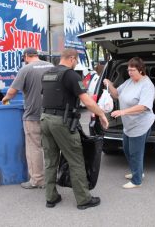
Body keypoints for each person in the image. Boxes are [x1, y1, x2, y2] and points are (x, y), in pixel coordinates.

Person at [40, 48, 109, 209]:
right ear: (71, 58)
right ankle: (84, 199)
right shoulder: (70, 75)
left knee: (50, 160)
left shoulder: (47, 74)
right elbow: (87, 101)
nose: (76, 63)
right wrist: (101, 114)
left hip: (44, 119)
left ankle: (51, 197)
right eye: (76, 61)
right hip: (61, 122)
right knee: (76, 159)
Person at [2, 47, 53, 189]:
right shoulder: (52, 66)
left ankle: (37, 180)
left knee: (35, 148)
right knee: (51, 148)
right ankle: (52, 178)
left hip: (33, 115)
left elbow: (12, 91)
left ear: (26, 56)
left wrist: (5, 99)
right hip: (52, 114)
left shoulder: (26, 70)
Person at [103, 57, 155, 189]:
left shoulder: (147, 85)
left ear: (141, 70)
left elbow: (143, 106)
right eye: (128, 69)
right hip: (129, 124)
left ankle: (137, 180)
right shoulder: (129, 82)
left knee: (135, 153)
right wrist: (109, 84)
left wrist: (123, 112)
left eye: (133, 70)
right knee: (126, 149)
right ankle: (137, 172)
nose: (130, 72)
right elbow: (116, 94)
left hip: (141, 124)